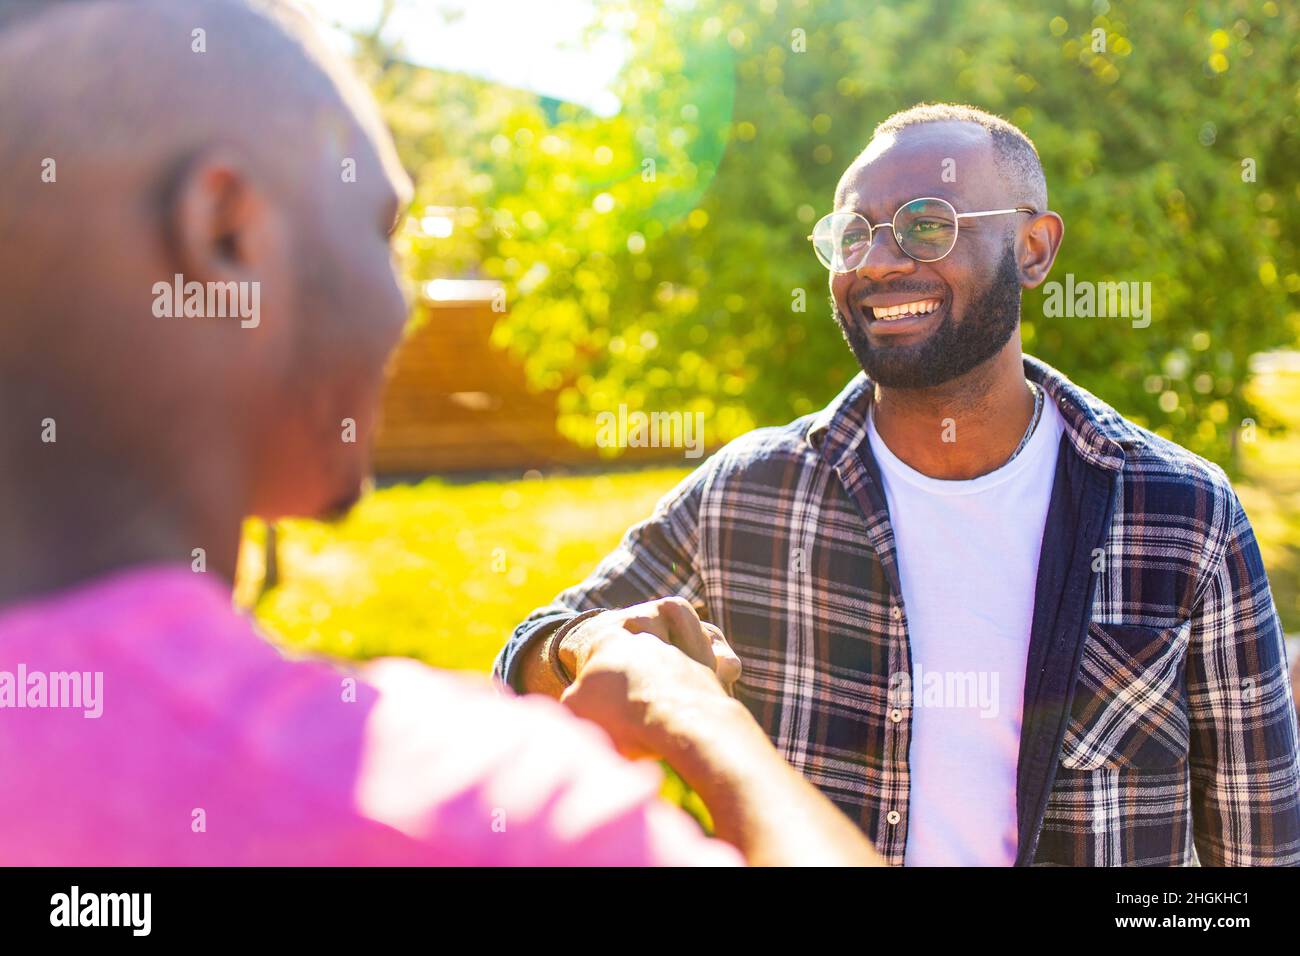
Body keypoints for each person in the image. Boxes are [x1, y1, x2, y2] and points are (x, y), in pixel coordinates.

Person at [0, 0, 882, 867]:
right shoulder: (435, 803)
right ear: (226, 236)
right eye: (385, 231)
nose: (405, 303)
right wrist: (701, 722)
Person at [496, 103, 1300, 866]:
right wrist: (589, 643)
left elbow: (1260, 854)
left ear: (1034, 247)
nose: (877, 262)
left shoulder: (1182, 516)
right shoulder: (749, 495)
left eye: (925, 225)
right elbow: (526, 667)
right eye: (853, 234)